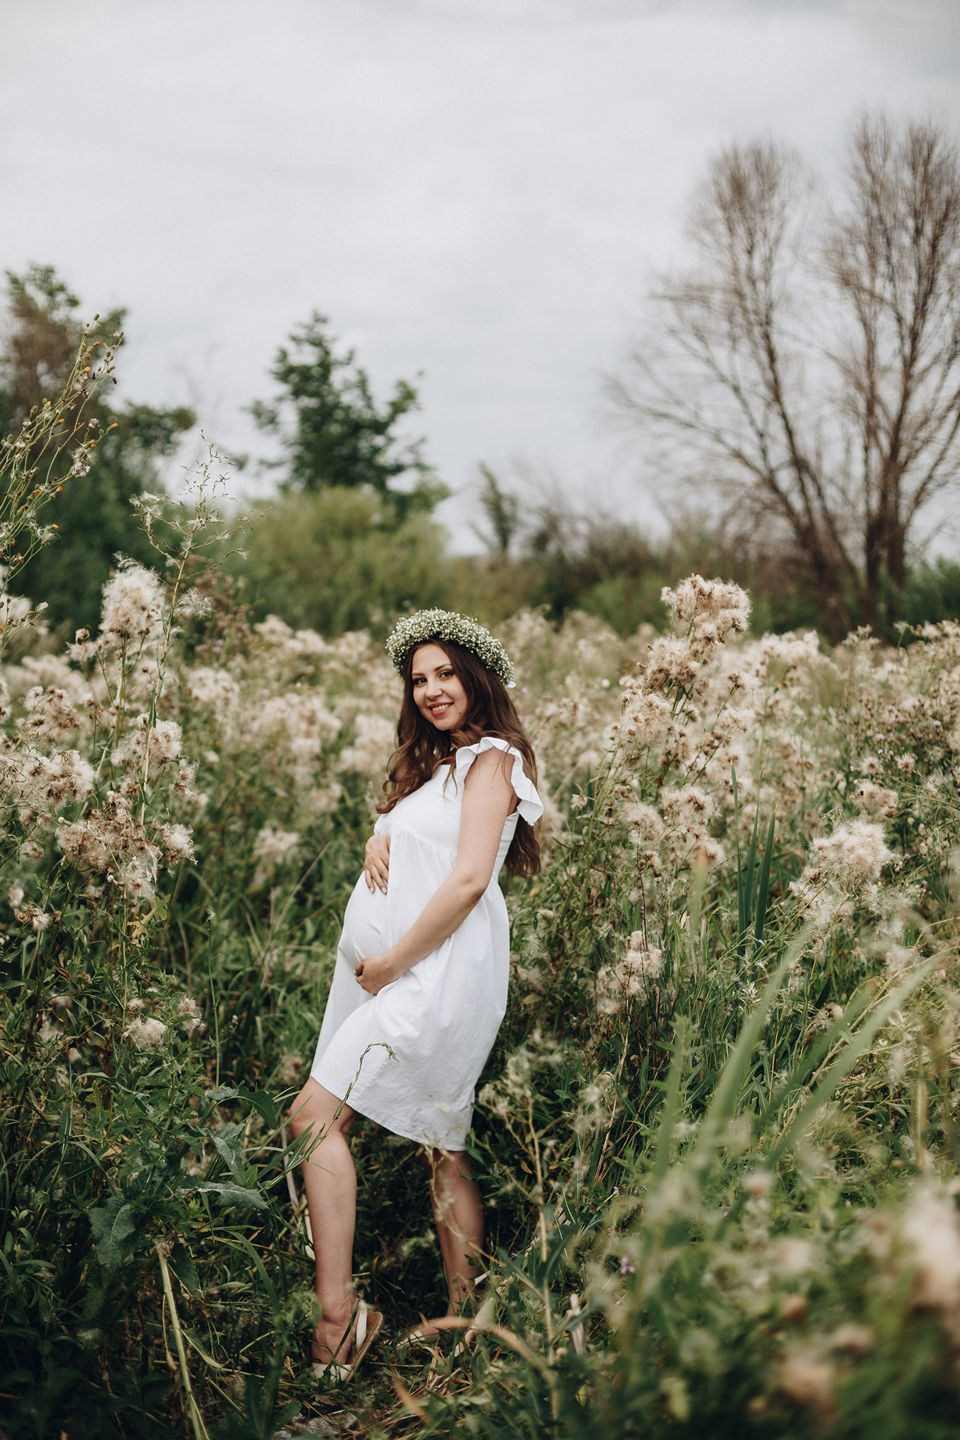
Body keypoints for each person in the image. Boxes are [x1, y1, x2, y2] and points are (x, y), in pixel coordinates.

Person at [288, 609, 543, 1378]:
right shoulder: (439, 765)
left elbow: (468, 879)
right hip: (401, 974)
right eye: (419, 679)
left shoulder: (494, 758)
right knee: (444, 1144)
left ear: (476, 676)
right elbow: (423, 836)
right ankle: (470, 1326)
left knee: (310, 1119)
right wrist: (383, 829)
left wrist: (393, 961)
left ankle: (340, 1321)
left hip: (433, 977)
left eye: (445, 674)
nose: (432, 689)